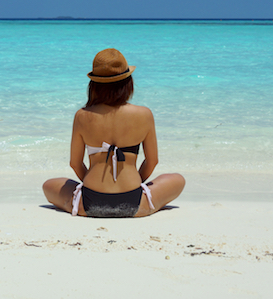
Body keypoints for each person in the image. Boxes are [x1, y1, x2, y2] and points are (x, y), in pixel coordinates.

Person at [42, 48, 185, 217]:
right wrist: (133, 184)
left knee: (48, 185)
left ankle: (84, 201)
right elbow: (152, 161)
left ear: (94, 85)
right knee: (177, 179)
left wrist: (96, 185)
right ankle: (143, 202)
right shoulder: (144, 114)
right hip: (135, 202)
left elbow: (75, 163)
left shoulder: (83, 115)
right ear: (128, 83)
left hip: (89, 202)